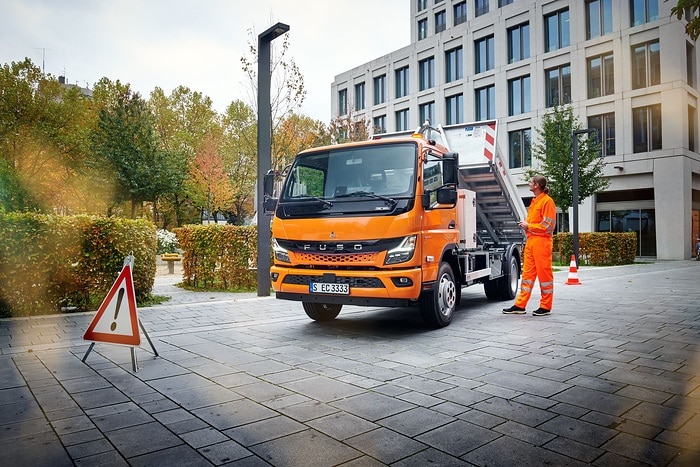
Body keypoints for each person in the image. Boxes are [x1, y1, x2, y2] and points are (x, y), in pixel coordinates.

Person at [503, 175, 556, 316]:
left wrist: (528, 225)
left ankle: (545, 306)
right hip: (532, 241)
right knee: (527, 275)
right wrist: (527, 227)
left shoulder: (547, 202)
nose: (529, 183)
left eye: (531, 182)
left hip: (542, 242)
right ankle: (520, 305)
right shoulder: (535, 201)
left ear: (537, 185)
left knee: (545, 275)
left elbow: (548, 226)